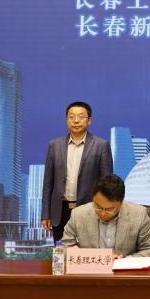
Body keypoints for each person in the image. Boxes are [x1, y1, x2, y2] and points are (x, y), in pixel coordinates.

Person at [42, 101, 114, 242]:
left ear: (89, 120)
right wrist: (46, 214)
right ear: (67, 120)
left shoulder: (101, 145)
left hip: (90, 210)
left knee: (87, 252)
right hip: (60, 211)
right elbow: (48, 184)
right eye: (71, 117)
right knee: (63, 252)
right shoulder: (54, 145)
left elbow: (107, 184)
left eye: (81, 117)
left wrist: (105, 212)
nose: (76, 121)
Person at [61, 175, 150, 259]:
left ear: (121, 202)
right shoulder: (78, 214)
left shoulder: (139, 214)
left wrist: (124, 261)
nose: (103, 213)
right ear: (93, 198)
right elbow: (63, 248)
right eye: (98, 207)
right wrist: (88, 256)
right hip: (90, 271)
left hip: (125, 272)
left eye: (109, 209)